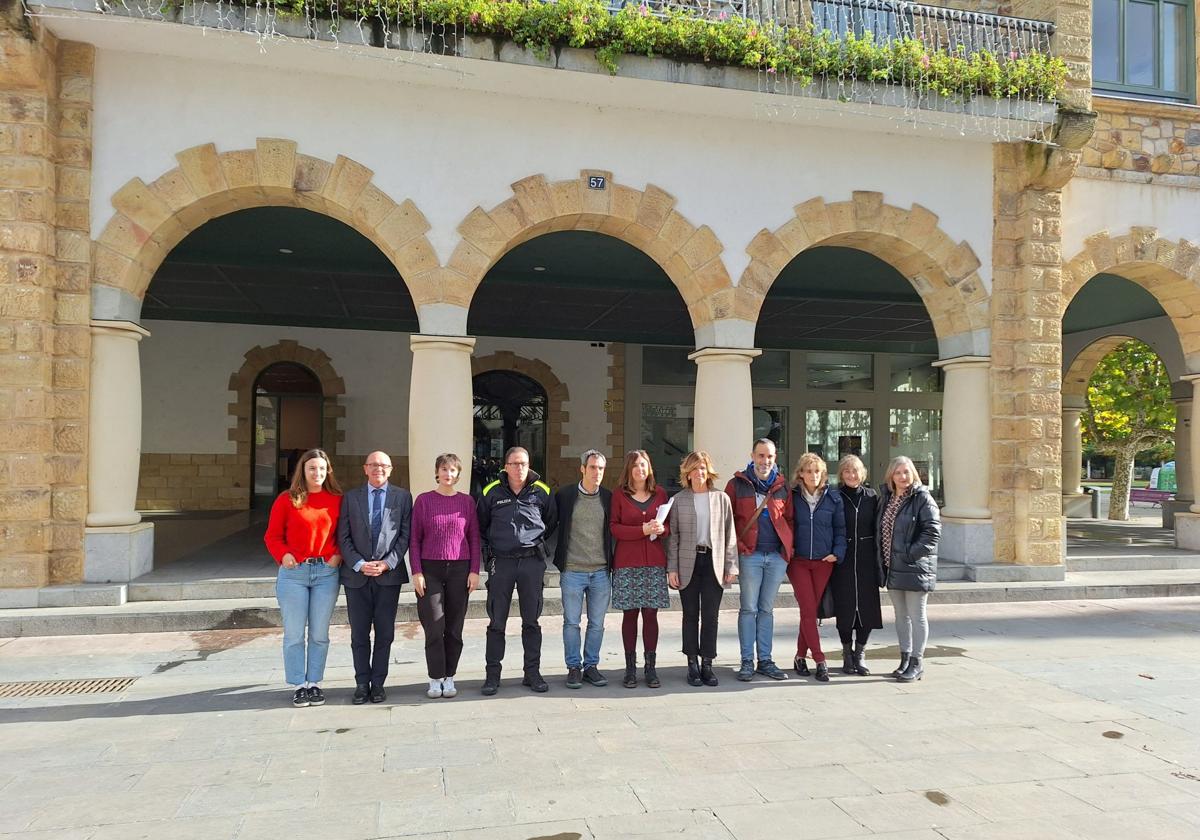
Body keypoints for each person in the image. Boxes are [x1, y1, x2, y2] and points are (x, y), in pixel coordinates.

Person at [264, 448, 343, 708]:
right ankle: (299, 684)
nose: (317, 473)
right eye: (312, 468)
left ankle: (315, 683)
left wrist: (338, 556)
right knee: (295, 634)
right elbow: (272, 536)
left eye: (322, 468)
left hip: (326, 573)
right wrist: (283, 555)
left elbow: (346, 534)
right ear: (303, 470)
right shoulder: (287, 499)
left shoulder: (337, 500)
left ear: (327, 471)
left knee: (320, 633)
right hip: (294, 574)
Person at [477, 446, 557, 695]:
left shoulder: (542, 491)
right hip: (502, 563)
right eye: (514, 463)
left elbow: (551, 522)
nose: (519, 468)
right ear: (505, 466)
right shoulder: (491, 491)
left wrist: (538, 545)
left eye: (523, 463)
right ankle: (492, 676)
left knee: (531, 621)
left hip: (531, 563)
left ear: (529, 465)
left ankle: (532, 673)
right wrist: (489, 555)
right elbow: (481, 525)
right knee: (496, 622)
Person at [336, 451, 411, 705]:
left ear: (390, 469)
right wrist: (358, 563)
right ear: (365, 469)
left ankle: (378, 683)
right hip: (356, 577)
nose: (378, 469)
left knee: (385, 633)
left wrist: (387, 564)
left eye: (383, 465)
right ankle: (361, 683)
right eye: (373, 465)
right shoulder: (350, 498)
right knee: (359, 633)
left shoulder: (402, 497)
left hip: (387, 577)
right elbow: (342, 536)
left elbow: (405, 536)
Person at [410, 453, 480, 700]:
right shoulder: (424, 501)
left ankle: (450, 676)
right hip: (431, 569)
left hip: (460, 570)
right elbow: (414, 539)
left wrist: (474, 570)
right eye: (444, 469)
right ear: (436, 472)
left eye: (453, 470)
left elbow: (473, 537)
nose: (448, 474)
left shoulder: (467, 502)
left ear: (458, 474)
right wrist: (416, 572)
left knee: (454, 628)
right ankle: (435, 677)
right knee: (434, 625)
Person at [667, 450, 738, 687]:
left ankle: (707, 663)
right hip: (688, 562)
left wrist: (731, 565)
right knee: (690, 615)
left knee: (711, 616)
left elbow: (730, 535)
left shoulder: (721, 498)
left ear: (709, 472)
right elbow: (673, 537)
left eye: (703, 468)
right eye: (694, 468)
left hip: (713, 562)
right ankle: (692, 664)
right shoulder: (678, 500)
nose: (699, 473)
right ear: (687, 473)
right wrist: (672, 568)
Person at [726, 438, 794, 682]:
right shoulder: (736, 485)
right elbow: (728, 521)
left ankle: (765, 659)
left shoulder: (782, 487)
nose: (765, 461)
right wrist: (740, 548)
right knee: (749, 609)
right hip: (749, 556)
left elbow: (790, 519)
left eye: (770, 457)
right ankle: (747, 661)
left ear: (775, 459)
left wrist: (787, 549)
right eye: (761, 456)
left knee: (766, 609)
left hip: (775, 557)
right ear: (752, 456)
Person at [553, 449, 614, 689]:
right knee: (571, 622)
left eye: (600, 468)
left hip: (601, 572)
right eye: (592, 468)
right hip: (572, 571)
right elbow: (550, 522)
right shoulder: (566, 495)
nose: (596, 472)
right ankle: (573, 667)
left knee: (597, 623)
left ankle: (591, 666)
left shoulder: (608, 497)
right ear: (582, 469)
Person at [877, 455, 941, 683]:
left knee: (917, 616)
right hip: (892, 566)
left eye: (906, 472)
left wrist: (910, 555)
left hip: (914, 567)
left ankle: (917, 662)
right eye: (898, 473)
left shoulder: (922, 498)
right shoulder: (887, 498)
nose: (903, 477)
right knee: (900, 616)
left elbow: (932, 531)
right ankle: (904, 658)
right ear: (891, 476)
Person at [609, 450, 669, 689]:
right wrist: (641, 530)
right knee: (630, 614)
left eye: (643, 465)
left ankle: (650, 667)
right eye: (635, 466)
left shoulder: (660, 494)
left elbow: (670, 526)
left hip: (654, 562)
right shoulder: (619, 496)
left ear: (649, 468)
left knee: (651, 614)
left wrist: (662, 529)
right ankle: (630, 668)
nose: (640, 470)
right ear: (628, 470)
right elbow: (614, 528)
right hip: (627, 562)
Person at [788, 452, 846, 683]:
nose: (813, 475)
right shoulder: (791, 497)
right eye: (809, 471)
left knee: (809, 612)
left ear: (823, 474)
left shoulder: (833, 498)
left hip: (824, 562)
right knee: (808, 609)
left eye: (817, 471)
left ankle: (800, 656)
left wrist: (837, 553)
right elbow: (784, 523)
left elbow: (840, 529)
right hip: (798, 562)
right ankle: (820, 660)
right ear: (801, 473)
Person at [833, 454, 883, 676]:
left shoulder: (872, 497)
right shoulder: (835, 496)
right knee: (844, 607)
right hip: (843, 559)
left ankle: (860, 653)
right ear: (841, 475)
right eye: (847, 471)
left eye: (855, 471)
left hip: (866, 559)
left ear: (862, 473)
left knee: (867, 607)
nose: (852, 475)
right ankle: (846, 652)